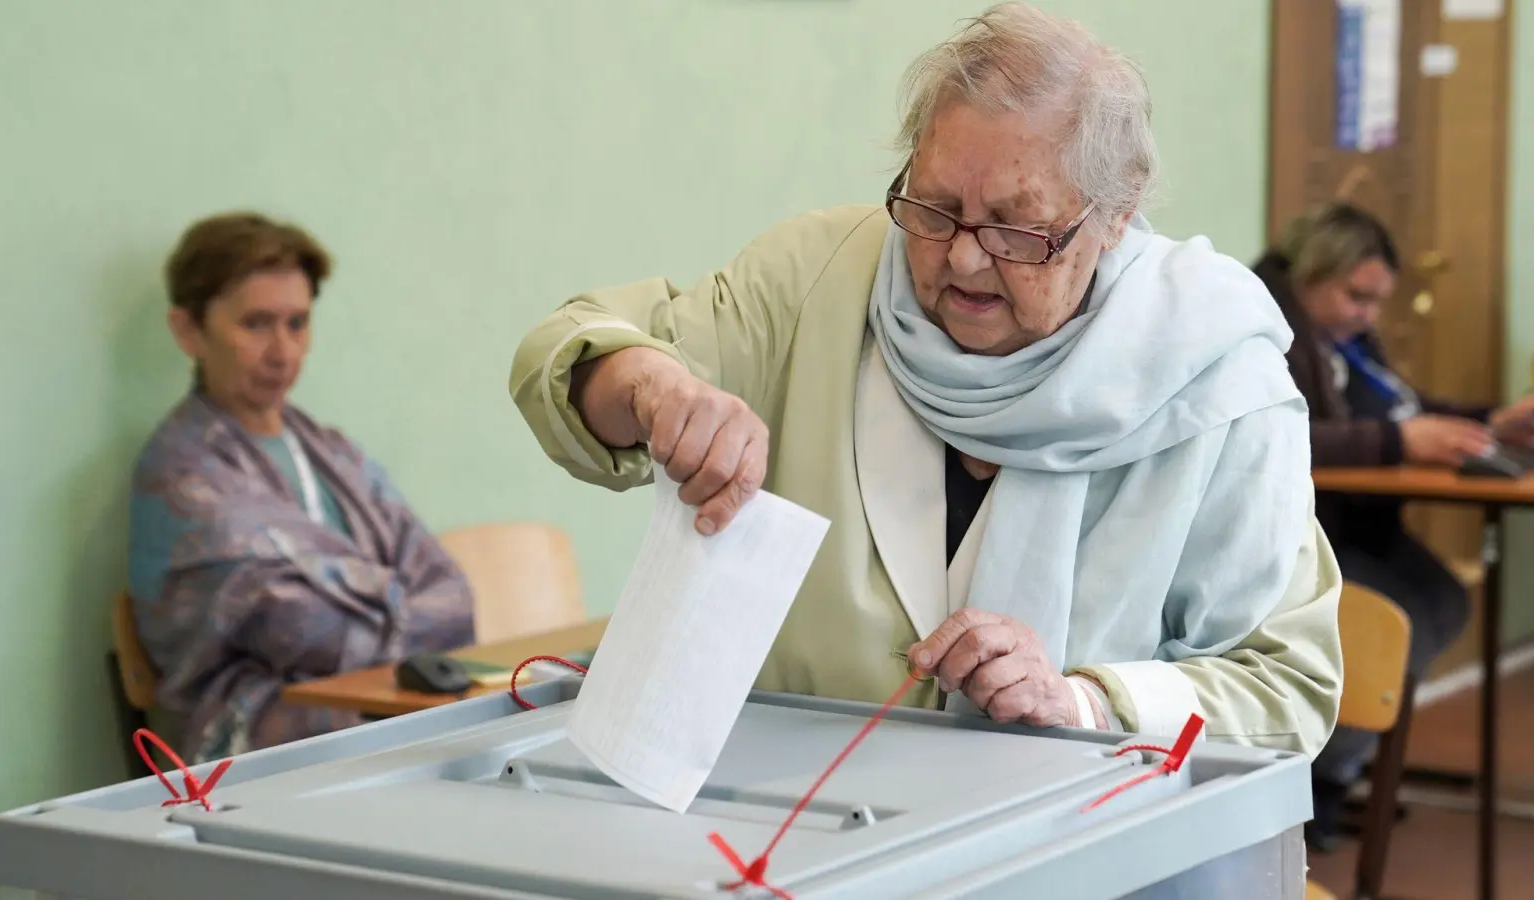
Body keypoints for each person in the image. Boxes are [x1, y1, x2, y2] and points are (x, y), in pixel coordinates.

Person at [509, 3, 1342, 756]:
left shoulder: (1221, 376)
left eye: (1018, 228)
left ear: (1115, 215)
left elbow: (1287, 687)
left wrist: (1086, 701)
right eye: (935, 208)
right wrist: (655, 389)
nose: (967, 256)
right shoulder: (817, 279)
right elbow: (569, 352)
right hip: (792, 821)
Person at [127, 211, 476, 764]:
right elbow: (301, 625)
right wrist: (398, 603)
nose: (283, 352)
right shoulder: (179, 472)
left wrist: (363, 603)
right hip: (252, 743)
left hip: (376, 707)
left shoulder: (333, 453)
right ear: (189, 331)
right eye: (256, 324)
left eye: (297, 323)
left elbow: (453, 597)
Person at [1251, 202, 1534, 850]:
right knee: (1396, 614)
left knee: (1440, 598)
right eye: (1358, 296)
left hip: (1364, 525)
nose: (1368, 315)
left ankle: (1342, 768)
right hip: (1306, 536)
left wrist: (1490, 423)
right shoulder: (1267, 324)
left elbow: (1406, 406)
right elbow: (1286, 435)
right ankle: (1317, 783)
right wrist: (1397, 440)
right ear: (1316, 271)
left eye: (1377, 301)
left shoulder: (1345, 339)